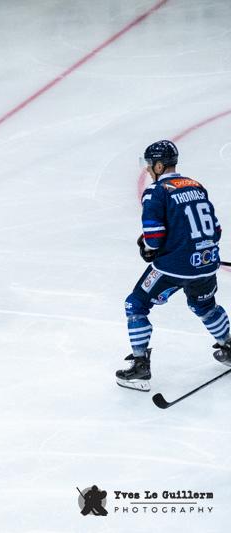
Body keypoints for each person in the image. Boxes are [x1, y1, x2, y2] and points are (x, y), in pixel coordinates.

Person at [117, 140, 231, 391]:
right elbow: (217, 231)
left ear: (159, 165)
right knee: (204, 305)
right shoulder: (196, 186)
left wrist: (148, 247)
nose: (147, 170)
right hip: (208, 263)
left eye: (149, 165)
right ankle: (229, 345)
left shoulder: (156, 192)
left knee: (135, 304)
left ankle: (140, 366)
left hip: (174, 267)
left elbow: (154, 238)